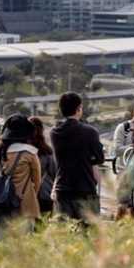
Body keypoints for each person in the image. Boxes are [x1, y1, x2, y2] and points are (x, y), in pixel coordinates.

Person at [50, 92, 105, 223]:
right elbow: (100, 158)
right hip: (85, 188)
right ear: (79, 108)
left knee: (66, 233)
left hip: (63, 188)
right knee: (88, 232)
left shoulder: (55, 133)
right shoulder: (90, 132)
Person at [0, 114, 41, 224]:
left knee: (0, 239)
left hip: (1, 204)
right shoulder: (30, 154)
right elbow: (37, 181)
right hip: (24, 204)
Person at [29, 116, 57, 216]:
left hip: (28, 194)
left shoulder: (24, 151)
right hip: (45, 193)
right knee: (43, 228)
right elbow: (54, 172)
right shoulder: (47, 151)